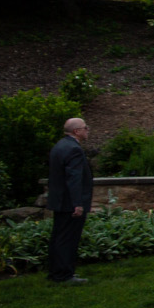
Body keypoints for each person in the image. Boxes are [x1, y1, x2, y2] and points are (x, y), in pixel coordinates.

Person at [45, 117, 95, 285]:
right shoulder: (74, 149)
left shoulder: (59, 146)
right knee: (68, 238)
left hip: (60, 201)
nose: (87, 129)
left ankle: (55, 271)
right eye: (85, 127)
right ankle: (65, 275)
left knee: (58, 237)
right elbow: (74, 178)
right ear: (76, 131)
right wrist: (77, 203)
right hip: (70, 203)